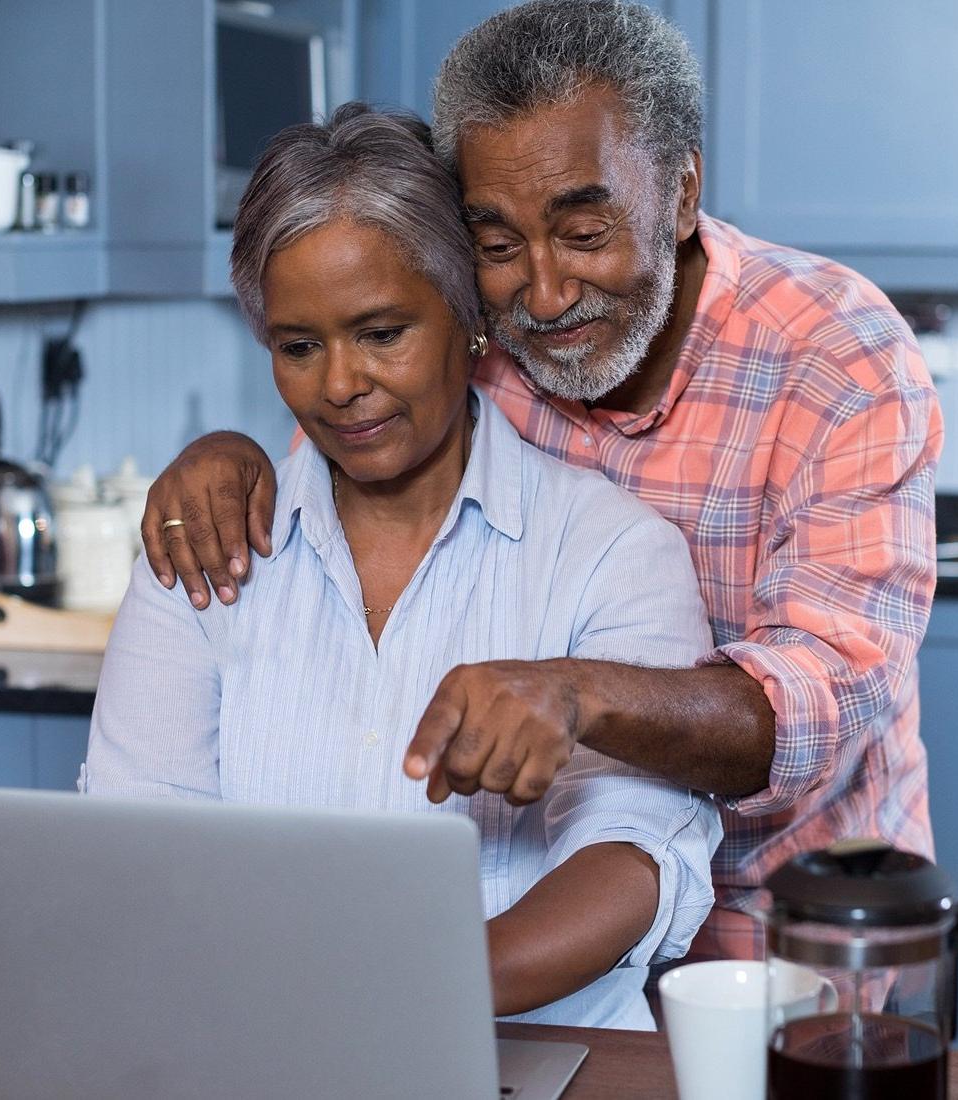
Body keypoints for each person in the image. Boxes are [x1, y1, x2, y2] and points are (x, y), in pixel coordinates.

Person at [140, 0, 943, 961]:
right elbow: (353, 386)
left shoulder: (836, 358)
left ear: (682, 193)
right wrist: (231, 456)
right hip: (555, 932)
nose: (547, 292)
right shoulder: (481, 334)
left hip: (790, 920)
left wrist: (576, 696)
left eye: (584, 232)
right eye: (498, 243)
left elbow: (825, 702)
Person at [82, 103, 722, 1030]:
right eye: (299, 347)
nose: (340, 384)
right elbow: (132, 852)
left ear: (467, 320)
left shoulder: (611, 552)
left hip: (536, 1059)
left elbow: (630, 858)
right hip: (254, 1053)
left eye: (382, 333)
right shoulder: (204, 548)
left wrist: (393, 997)